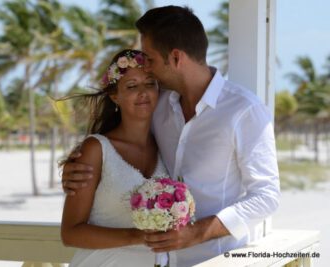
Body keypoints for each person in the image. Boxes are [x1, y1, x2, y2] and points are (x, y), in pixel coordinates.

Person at [61, 6, 281, 267]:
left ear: (176, 58)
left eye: (150, 60)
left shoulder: (244, 111)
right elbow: (116, 146)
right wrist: (76, 169)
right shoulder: (158, 105)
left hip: (216, 259)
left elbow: (266, 196)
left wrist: (197, 232)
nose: (147, 70)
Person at [60, 49, 175, 266]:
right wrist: (138, 236)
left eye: (150, 83)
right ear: (115, 96)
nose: (143, 92)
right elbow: (70, 233)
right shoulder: (96, 149)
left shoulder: (166, 145)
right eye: (131, 86)